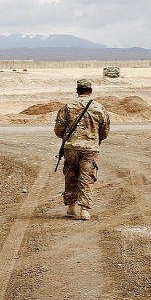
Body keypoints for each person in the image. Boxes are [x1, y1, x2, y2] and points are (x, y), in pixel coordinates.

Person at [54, 78, 110, 221]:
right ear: (90, 91)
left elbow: (58, 129)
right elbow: (104, 130)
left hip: (71, 147)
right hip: (90, 149)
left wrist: (68, 138)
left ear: (77, 91)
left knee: (70, 175)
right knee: (87, 178)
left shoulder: (67, 106)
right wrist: (96, 141)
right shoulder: (99, 108)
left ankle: (71, 207)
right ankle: (84, 210)